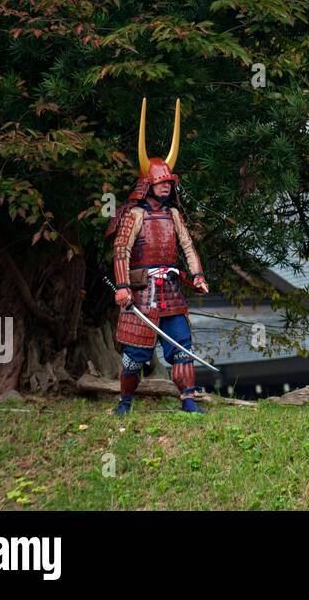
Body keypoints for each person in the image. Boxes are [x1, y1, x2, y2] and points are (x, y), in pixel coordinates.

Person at [109, 99, 210, 415]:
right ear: (147, 184)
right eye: (160, 182)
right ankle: (125, 403)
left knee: (182, 349)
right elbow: (121, 250)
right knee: (134, 356)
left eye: (169, 183)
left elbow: (189, 248)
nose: (165, 187)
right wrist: (123, 286)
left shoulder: (174, 216)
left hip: (171, 291)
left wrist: (198, 275)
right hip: (141, 295)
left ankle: (189, 402)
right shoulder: (133, 215)